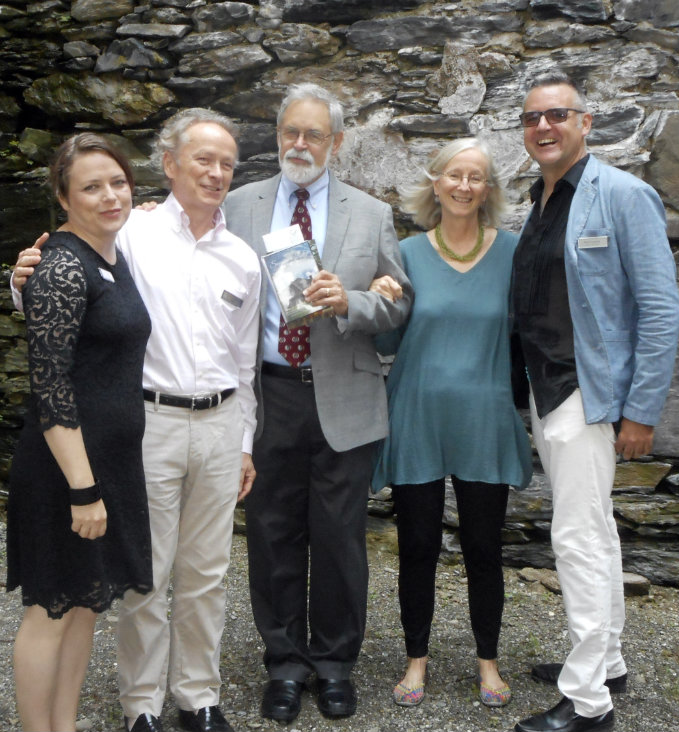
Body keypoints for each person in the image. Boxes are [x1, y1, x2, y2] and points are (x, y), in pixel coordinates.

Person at [12, 109, 262, 732]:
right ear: (170, 165)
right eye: (202, 159)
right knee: (141, 572)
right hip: (148, 423)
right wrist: (18, 280)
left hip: (221, 423)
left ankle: (198, 696)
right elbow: (57, 283)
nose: (216, 172)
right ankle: (141, 706)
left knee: (207, 571)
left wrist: (245, 443)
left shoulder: (243, 258)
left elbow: (245, 357)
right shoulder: (132, 232)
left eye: (227, 163)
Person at [220, 82, 413, 724]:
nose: (299, 145)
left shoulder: (371, 213)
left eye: (313, 134)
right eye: (289, 132)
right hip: (267, 394)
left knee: (338, 539)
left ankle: (333, 664)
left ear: (336, 142)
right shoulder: (240, 204)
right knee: (271, 534)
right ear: (278, 135)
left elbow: (398, 303)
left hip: (344, 398)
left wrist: (352, 303)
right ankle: (283, 663)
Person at [510, 72, 679, 732]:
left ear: (586, 122)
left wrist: (640, 409)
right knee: (596, 532)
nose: (543, 127)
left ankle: (586, 703)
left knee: (576, 539)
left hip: (588, 395)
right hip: (547, 392)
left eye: (556, 114)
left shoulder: (623, 195)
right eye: (530, 118)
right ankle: (604, 663)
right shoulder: (542, 198)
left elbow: (661, 308)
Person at [368, 138, 533, 710]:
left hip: (484, 417)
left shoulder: (514, 252)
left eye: (476, 178)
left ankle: (488, 660)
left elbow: (533, 328)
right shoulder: (407, 254)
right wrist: (381, 297)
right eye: (454, 175)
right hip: (416, 415)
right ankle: (416, 660)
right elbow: (386, 339)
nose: (464, 186)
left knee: (485, 547)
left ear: (488, 190)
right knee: (416, 545)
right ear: (435, 183)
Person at [6, 132, 153, 732]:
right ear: (63, 198)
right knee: (49, 611)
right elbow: (52, 387)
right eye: (91, 186)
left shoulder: (110, 256)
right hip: (67, 472)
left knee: (87, 605)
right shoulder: (63, 266)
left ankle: (64, 725)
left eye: (117, 181)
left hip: (108, 464)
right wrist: (82, 489)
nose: (109, 195)